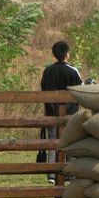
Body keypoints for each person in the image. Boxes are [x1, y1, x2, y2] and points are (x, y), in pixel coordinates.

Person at [39, 41, 83, 184]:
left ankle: (52, 174)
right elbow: (81, 89)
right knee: (71, 142)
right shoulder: (73, 70)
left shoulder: (48, 71)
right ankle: (70, 173)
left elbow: (43, 89)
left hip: (51, 112)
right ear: (66, 54)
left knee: (53, 143)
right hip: (70, 114)